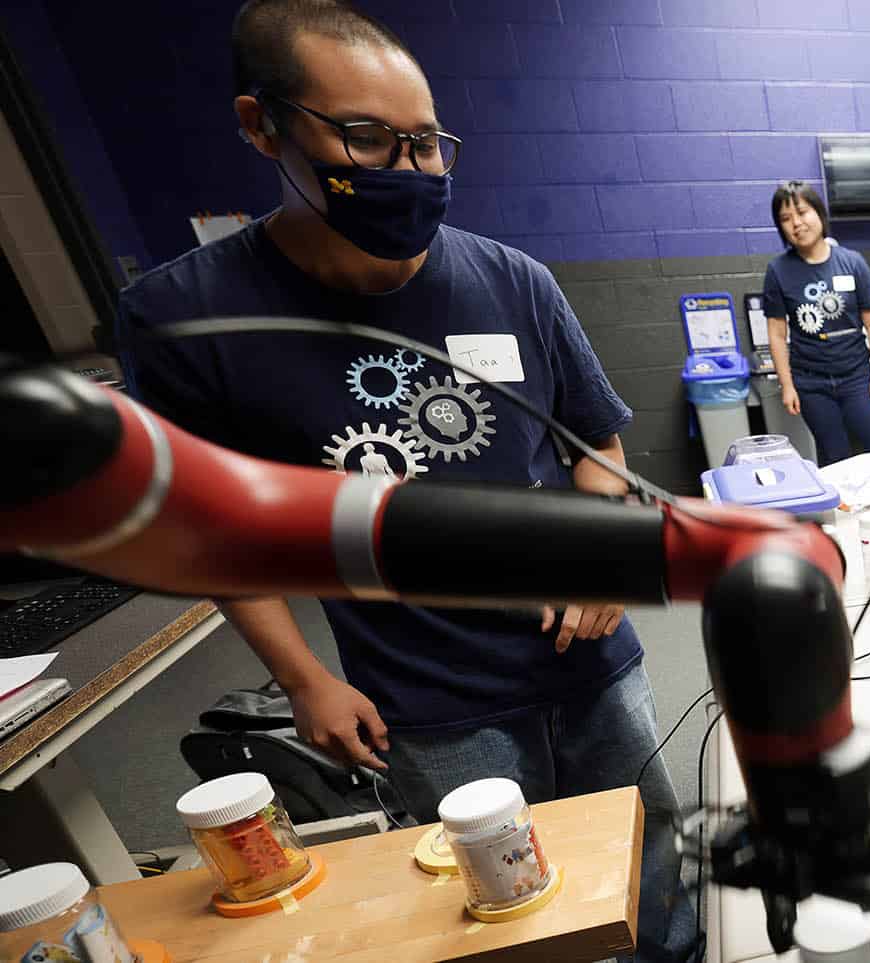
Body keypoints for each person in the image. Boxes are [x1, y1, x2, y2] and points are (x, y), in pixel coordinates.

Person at [112, 3, 691, 959]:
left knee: (650, 853)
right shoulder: (186, 315)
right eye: (369, 139)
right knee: (500, 902)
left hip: (587, 659)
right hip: (428, 692)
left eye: (427, 143)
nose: (410, 171)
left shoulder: (514, 281)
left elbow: (598, 445)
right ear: (263, 126)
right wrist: (303, 680)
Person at [762, 179, 870, 465]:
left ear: (819, 214)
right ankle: (842, 510)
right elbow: (776, 333)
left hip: (858, 378)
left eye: (802, 212)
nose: (796, 223)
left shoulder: (852, 262)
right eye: (786, 218)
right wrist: (788, 385)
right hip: (811, 385)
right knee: (834, 459)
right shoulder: (778, 270)